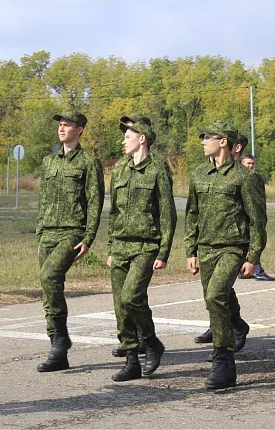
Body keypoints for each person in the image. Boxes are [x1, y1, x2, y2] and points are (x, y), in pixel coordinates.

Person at [184, 120, 267, 389]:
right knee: (215, 300)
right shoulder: (198, 174)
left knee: (215, 295)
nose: (202, 141)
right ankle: (237, 325)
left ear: (223, 142)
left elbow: (257, 219)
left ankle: (224, 359)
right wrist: (191, 250)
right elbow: (192, 215)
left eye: (208, 137)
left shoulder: (245, 177)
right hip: (206, 247)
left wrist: (253, 256)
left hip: (233, 247)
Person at [107, 114, 177, 381]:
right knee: (120, 306)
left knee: (131, 296)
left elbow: (167, 214)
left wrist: (164, 251)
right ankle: (132, 359)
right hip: (121, 245)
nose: (123, 140)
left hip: (146, 245)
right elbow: (113, 211)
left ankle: (152, 341)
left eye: (128, 136)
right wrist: (111, 246)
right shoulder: (120, 168)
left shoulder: (158, 168)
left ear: (142, 138)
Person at [36, 110, 105, 372]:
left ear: (80, 130)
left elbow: (95, 203)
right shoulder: (49, 161)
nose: (62, 129)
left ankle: (60, 341)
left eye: (68, 125)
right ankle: (57, 344)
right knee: (49, 286)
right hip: (49, 232)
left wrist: (88, 237)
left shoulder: (89, 162)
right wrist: (40, 233)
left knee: (49, 276)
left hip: (72, 232)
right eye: (60, 125)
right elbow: (43, 200)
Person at [239, 153, 275, 281]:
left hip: (254, 215)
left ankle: (252, 269)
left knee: (254, 242)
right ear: (241, 164)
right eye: (248, 163)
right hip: (242, 217)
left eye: (252, 163)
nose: (251, 166)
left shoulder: (256, 178)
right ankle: (256, 270)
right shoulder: (238, 178)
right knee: (250, 243)